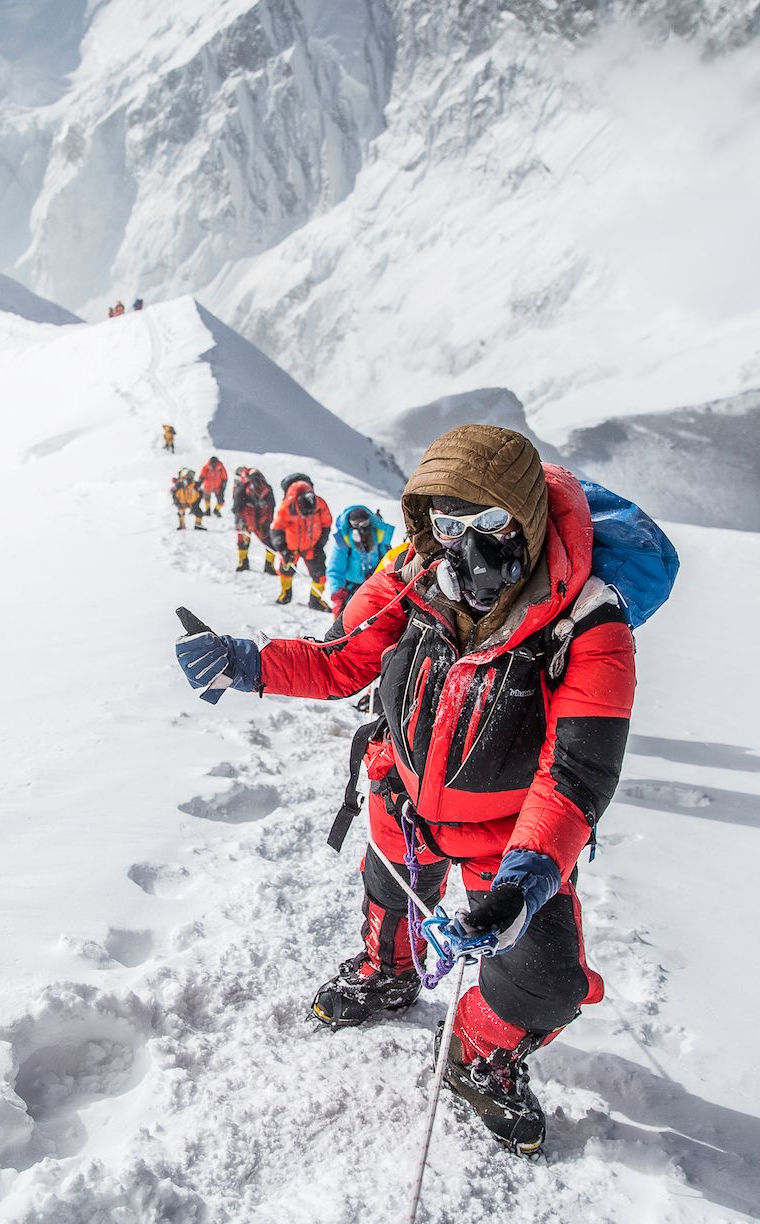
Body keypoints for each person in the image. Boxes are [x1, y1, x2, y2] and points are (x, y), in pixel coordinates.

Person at [173, 425, 636, 1158]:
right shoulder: (419, 576)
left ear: (527, 518)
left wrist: (522, 883)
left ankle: (481, 1052)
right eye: (447, 524)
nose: (466, 545)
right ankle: (388, 975)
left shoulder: (590, 621)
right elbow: (339, 658)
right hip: (406, 804)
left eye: (488, 523)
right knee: (391, 899)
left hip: (513, 841)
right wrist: (245, 663)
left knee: (547, 981)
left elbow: (575, 774)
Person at [322, 505, 398, 637]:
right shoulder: (344, 542)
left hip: (372, 588)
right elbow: (335, 570)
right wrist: (337, 594)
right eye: (356, 524)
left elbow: (386, 561)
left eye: (364, 523)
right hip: (349, 590)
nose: (361, 528)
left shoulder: (378, 538)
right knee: (346, 626)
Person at [269, 475, 332, 611]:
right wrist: (283, 549)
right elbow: (276, 528)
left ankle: (315, 600)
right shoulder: (287, 506)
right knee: (285, 570)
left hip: (312, 546)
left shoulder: (320, 504)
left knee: (320, 574)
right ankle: (286, 594)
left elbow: (326, 524)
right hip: (290, 547)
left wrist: (320, 545)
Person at [231, 466, 278, 573]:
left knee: (268, 543)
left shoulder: (265, 491)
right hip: (252, 521)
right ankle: (247, 563)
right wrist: (240, 522)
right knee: (246, 541)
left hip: (255, 521)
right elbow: (237, 508)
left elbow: (271, 508)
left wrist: (268, 523)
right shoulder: (244, 489)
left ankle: (263, 565)